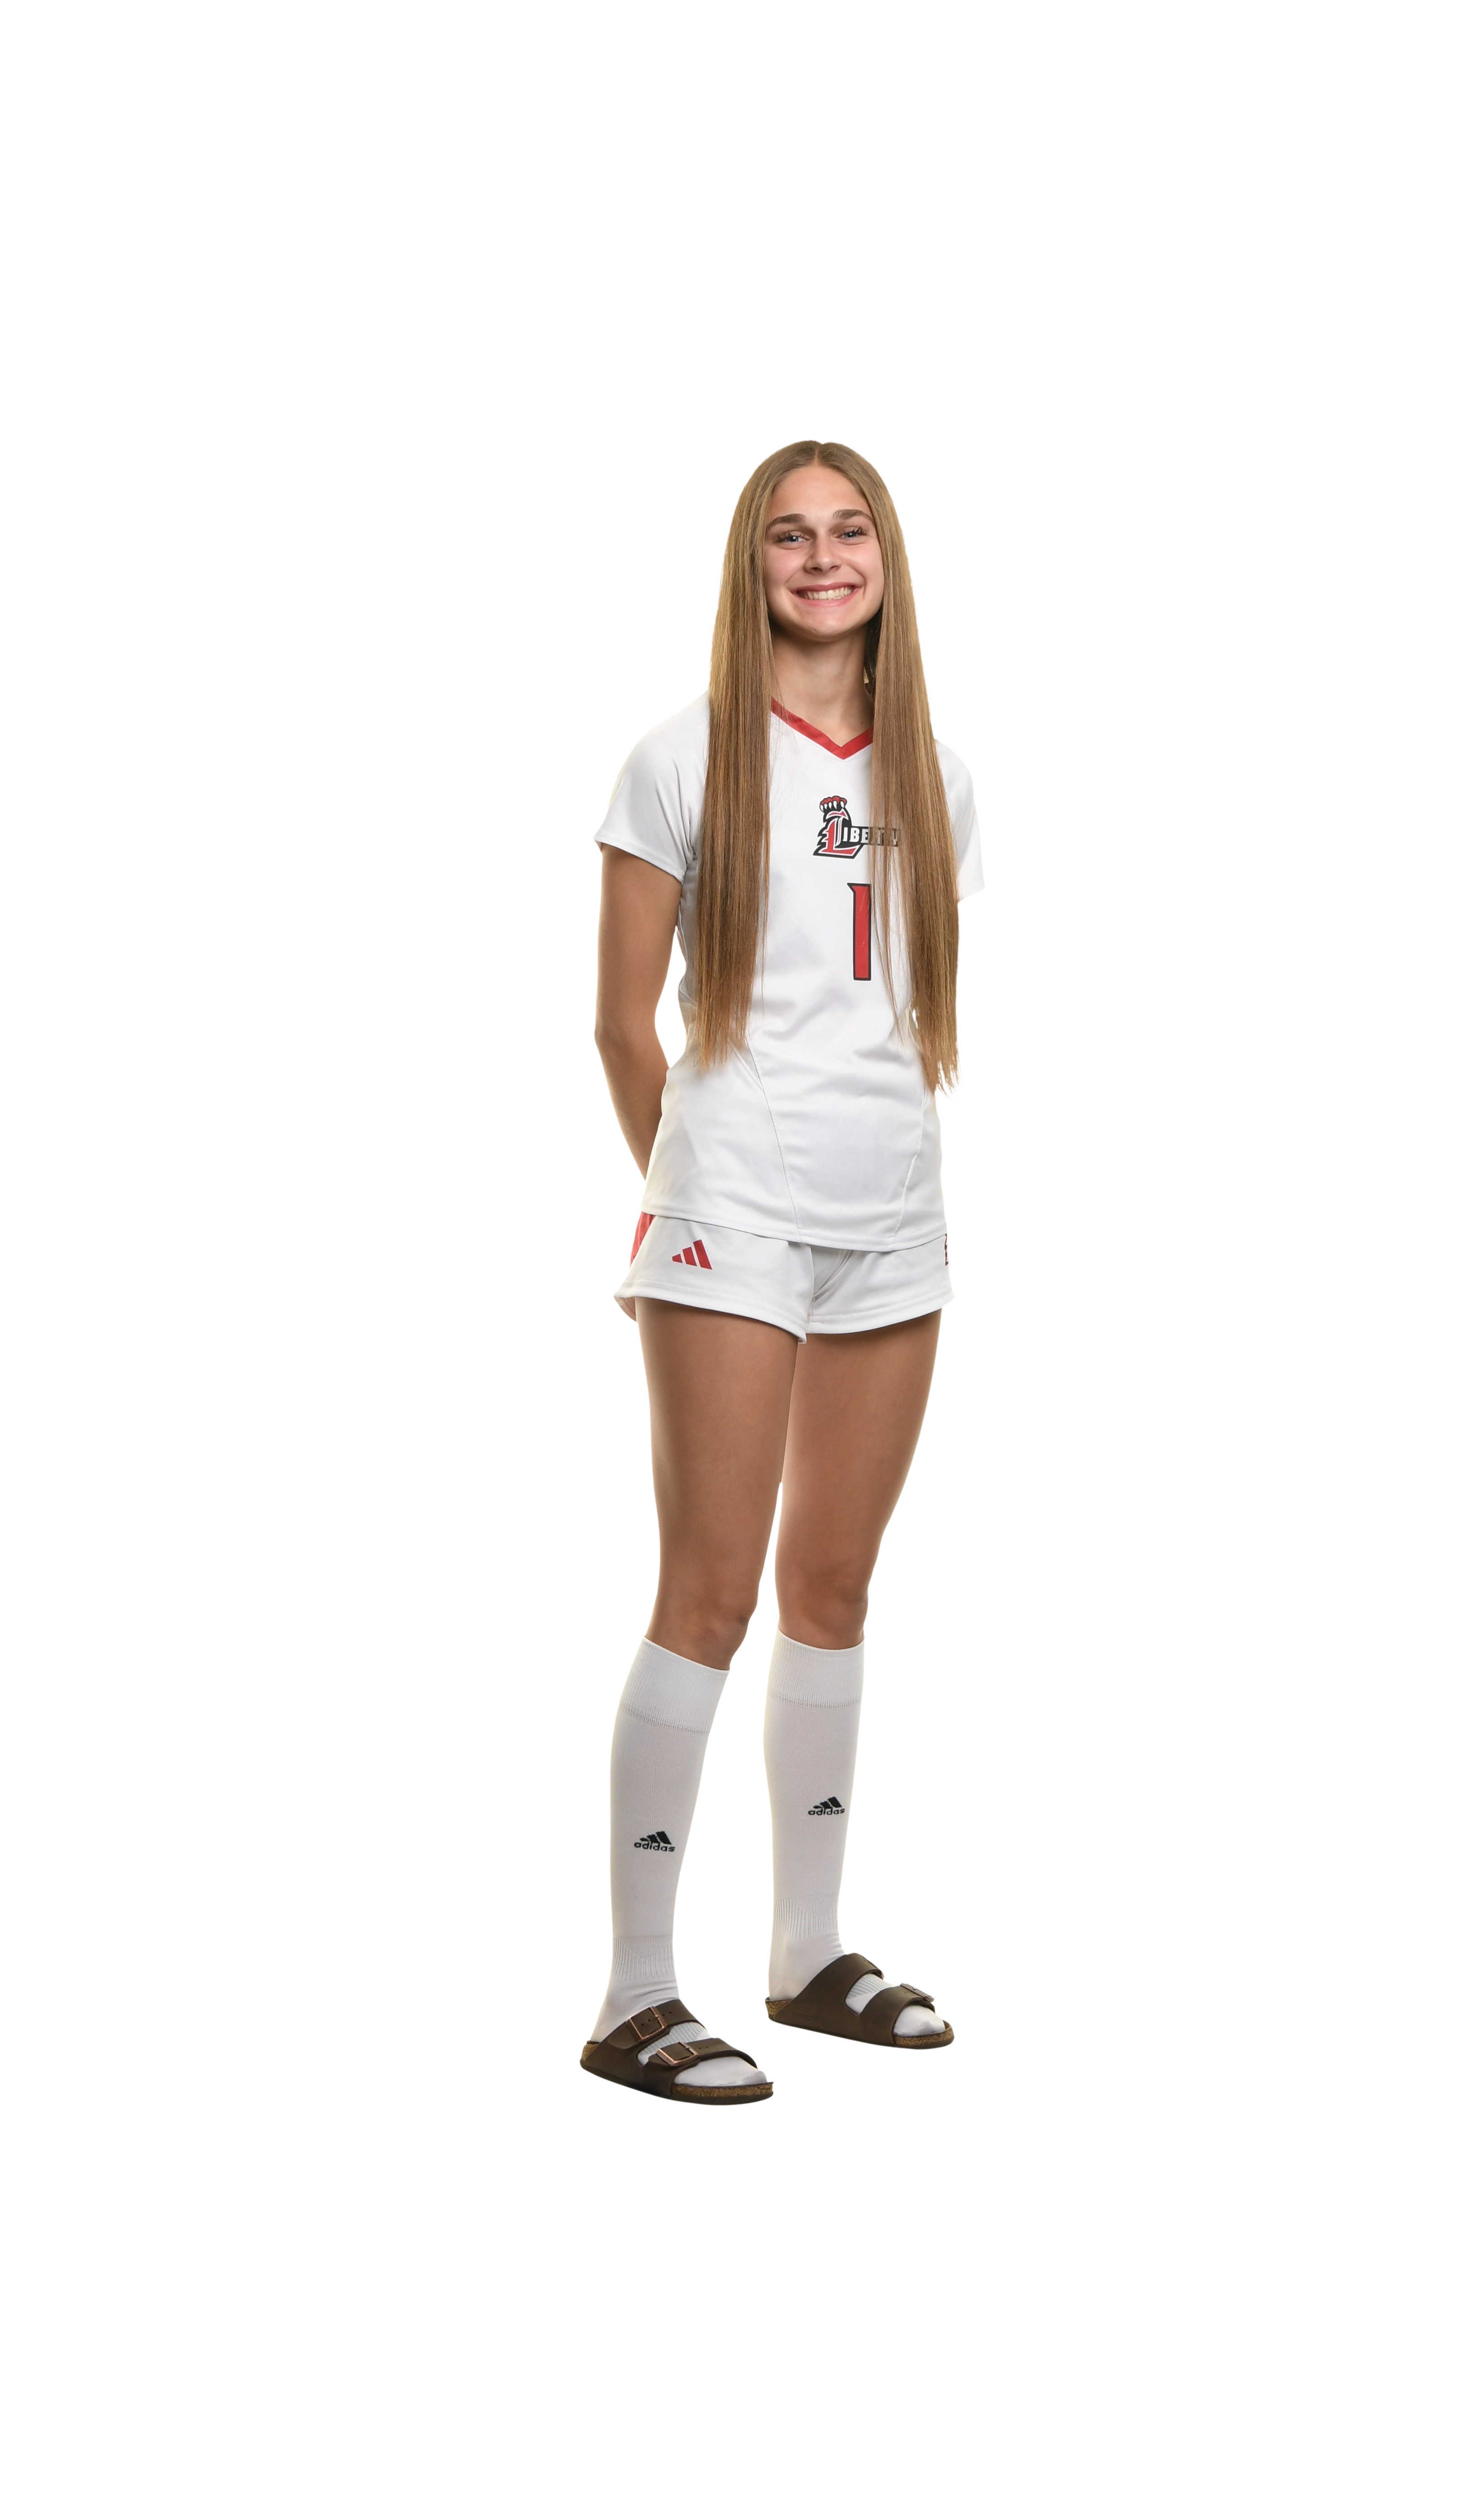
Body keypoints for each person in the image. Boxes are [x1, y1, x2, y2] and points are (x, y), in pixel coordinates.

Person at [578, 438, 983, 2105]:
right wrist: (696, 1206)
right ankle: (641, 1991)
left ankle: (810, 1953)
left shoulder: (938, 773)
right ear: (749, 564)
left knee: (835, 1592)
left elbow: (911, 1016)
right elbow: (621, 1025)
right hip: (728, 1217)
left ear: (889, 559)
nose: (824, 559)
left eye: (851, 530)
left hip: (893, 1222)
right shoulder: (680, 756)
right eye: (791, 536)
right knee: (711, 1592)